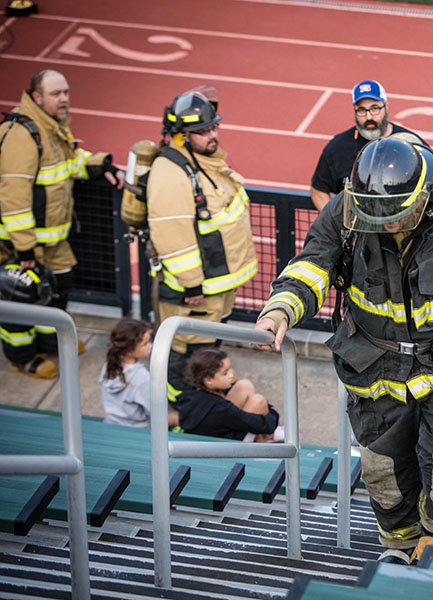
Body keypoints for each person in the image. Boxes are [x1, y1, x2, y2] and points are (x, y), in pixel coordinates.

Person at [255, 138, 433, 564]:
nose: (387, 222)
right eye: (378, 213)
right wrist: (281, 309)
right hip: (375, 365)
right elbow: (313, 264)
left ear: (424, 195)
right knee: (383, 474)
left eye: (396, 213)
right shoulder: (348, 209)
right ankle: (399, 548)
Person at [0, 69, 124, 379]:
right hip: (26, 245)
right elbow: (13, 197)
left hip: (53, 242)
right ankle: (22, 357)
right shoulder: (21, 135)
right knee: (20, 301)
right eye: (56, 94)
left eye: (66, 92)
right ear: (37, 97)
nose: (64, 99)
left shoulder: (51, 128)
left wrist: (100, 165)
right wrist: (24, 247)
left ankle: (48, 341)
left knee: (57, 290)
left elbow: (68, 164)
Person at [146, 91, 257, 406]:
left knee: (207, 344)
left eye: (213, 128)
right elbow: (174, 236)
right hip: (196, 288)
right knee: (188, 348)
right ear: (181, 136)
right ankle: (180, 407)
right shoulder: (170, 174)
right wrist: (191, 283)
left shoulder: (200, 160)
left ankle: (201, 400)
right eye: (203, 131)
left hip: (214, 284)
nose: (213, 135)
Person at [309, 80, 423, 211]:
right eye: (362, 110)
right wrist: (335, 225)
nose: (369, 117)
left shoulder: (410, 143)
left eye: (375, 108)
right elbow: (318, 190)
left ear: (386, 106)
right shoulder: (337, 148)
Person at [177, 348, 280, 442]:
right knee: (259, 401)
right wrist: (272, 412)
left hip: (213, 434)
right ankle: (263, 441)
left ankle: (267, 437)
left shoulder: (193, 393)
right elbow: (265, 426)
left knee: (244, 385)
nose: (231, 375)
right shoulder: (220, 409)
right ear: (208, 380)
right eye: (225, 373)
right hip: (224, 446)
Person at [100, 318, 179, 428]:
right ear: (129, 350)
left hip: (112, 422)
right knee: (177, 418)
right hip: (138, 429)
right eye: (145, 344)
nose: (150, 346)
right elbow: (156, 414)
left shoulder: (108, 366)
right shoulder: (142, 378)